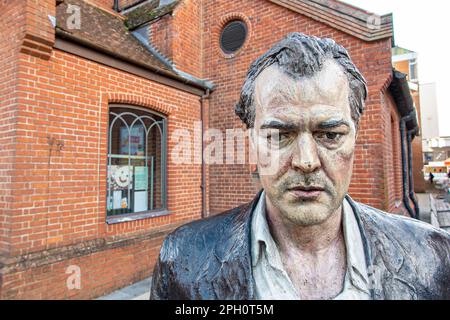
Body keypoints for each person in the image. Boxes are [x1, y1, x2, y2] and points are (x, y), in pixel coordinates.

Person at [150, 33, 450, 300]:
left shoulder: (433, 256)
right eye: (280, 135)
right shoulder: (183, 258)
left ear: (355, 139)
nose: (306, 161)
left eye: (330, 135)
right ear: (252, 143)